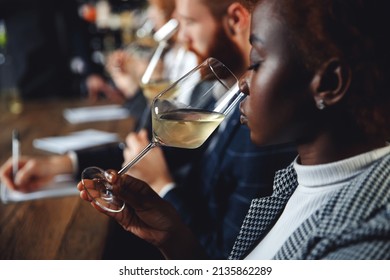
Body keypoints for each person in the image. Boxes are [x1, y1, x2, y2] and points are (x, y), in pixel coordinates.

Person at [78, 0, 390, 260]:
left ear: (330, 83)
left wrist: (166, 189)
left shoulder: (366, 238)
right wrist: (176, 240)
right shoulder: (293, 182)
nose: (242, 81)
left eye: (256, 63)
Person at [0, 0, 297, 259]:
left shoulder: (260, 124)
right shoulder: (223, 95)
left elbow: (226, 257)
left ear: (235, 20)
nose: (179, 36)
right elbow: (169, 148)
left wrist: (163, 186)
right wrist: (62, 163)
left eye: (188, 22)